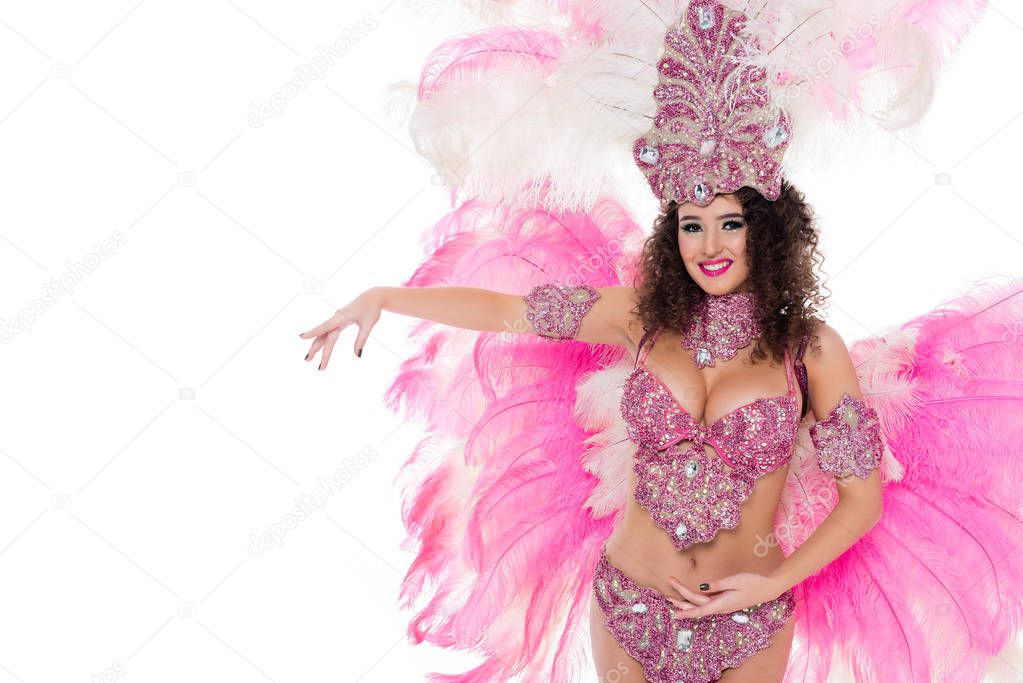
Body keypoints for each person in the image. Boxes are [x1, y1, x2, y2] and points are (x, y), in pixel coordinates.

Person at [300, 2, 1023, 681]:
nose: (708, 243)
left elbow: (861, 496)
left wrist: (775, 576)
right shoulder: (638, 317)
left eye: (728, 223)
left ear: (766, 229)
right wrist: (387, 297)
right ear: (671, 231)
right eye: (691, 223)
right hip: (626, 601)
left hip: (747, 614)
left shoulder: (810, 351)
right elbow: (509, 308)